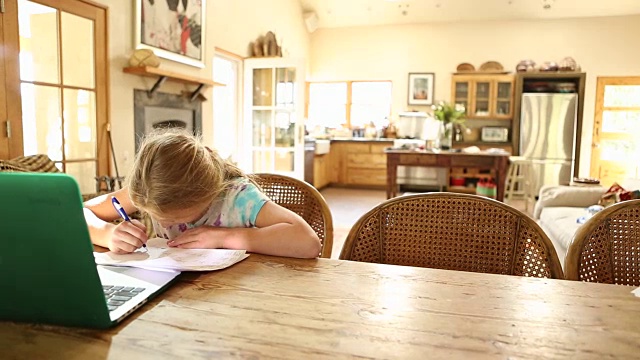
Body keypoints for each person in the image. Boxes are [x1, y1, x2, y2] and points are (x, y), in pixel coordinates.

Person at [83, 130, 321, 259]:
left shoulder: (236, 198)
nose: (163, 223)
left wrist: (224, 238)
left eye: (174, 219)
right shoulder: (151, 190)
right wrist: (109, 234)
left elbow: (308, 242)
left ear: (204, 195)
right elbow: (80, 211)